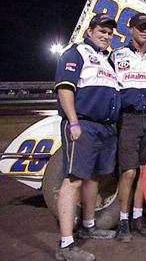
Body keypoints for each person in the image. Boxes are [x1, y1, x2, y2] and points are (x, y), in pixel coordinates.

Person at [55, 13, 120, 261]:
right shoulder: (76, 53)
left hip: (104, 128)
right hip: (84, 124)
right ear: (89, 31)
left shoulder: (107, 60)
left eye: (109, 32)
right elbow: (64, 88)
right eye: (101, 31)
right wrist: (73, 122)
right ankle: (65, 244)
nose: (105, 35)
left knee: (93, 178)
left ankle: (89, 226)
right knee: (73, 180)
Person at [111, 12, 146, 242]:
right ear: (130, 28)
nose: (145, 30)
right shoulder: (117, 55)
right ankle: (123, 221)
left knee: (145, 170)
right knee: (129, 171)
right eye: (141, 26)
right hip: (129, 119)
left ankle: (137, 217)